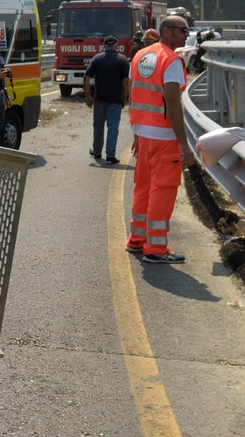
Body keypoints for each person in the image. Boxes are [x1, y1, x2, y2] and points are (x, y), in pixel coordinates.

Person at [126, 16, 197, 264]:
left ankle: (137, 239)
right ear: (167, 32)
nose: (186, 34)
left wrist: (135, 133)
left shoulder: (140, 56)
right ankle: (155, 248)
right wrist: (183, 143)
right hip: (164, 137)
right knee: (162, 190)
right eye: (182, 30)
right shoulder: (171, 60)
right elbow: (172, 101)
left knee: (143, 187)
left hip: (143, 134)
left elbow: (133, 93)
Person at [83, 34, 130, 164]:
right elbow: (126, 81)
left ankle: (97, 151)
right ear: (116, 46)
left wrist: (88, 95)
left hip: (99, 98)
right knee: (113, 126)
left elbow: (86, 76)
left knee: (98, 126)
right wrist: (125, 97)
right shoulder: (122, 60)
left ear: (104, 46)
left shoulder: (97, 58)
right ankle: (110, 154)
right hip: (115, 99)